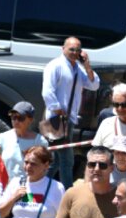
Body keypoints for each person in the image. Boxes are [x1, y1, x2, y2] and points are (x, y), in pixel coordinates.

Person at [41, 37, 101, 183]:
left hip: (69, 120)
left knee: (55, 160)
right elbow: (47, 91)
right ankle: (67, 191)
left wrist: (87, 65)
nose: (75, 52)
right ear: (63, 48)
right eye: (71, 49)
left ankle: (41, 186)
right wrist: (58, 110)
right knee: (67, 160)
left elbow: (94, 85)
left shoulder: (78, 69)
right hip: (56, 119)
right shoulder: (55, 66)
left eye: (78, 50)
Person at [51, 146, 118, 218]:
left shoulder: (120, 197)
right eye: (92, 164)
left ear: (112, 168)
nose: (96, 169)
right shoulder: (72, 193)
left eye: (102, 165)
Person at [0, 101, 47, 215]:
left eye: (20, 118)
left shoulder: (40, 142)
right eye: (13, 117)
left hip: (25, 190)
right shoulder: (3, 138)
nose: (16, 121)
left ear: (30, 120)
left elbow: (43, 170)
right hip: (1, 188)